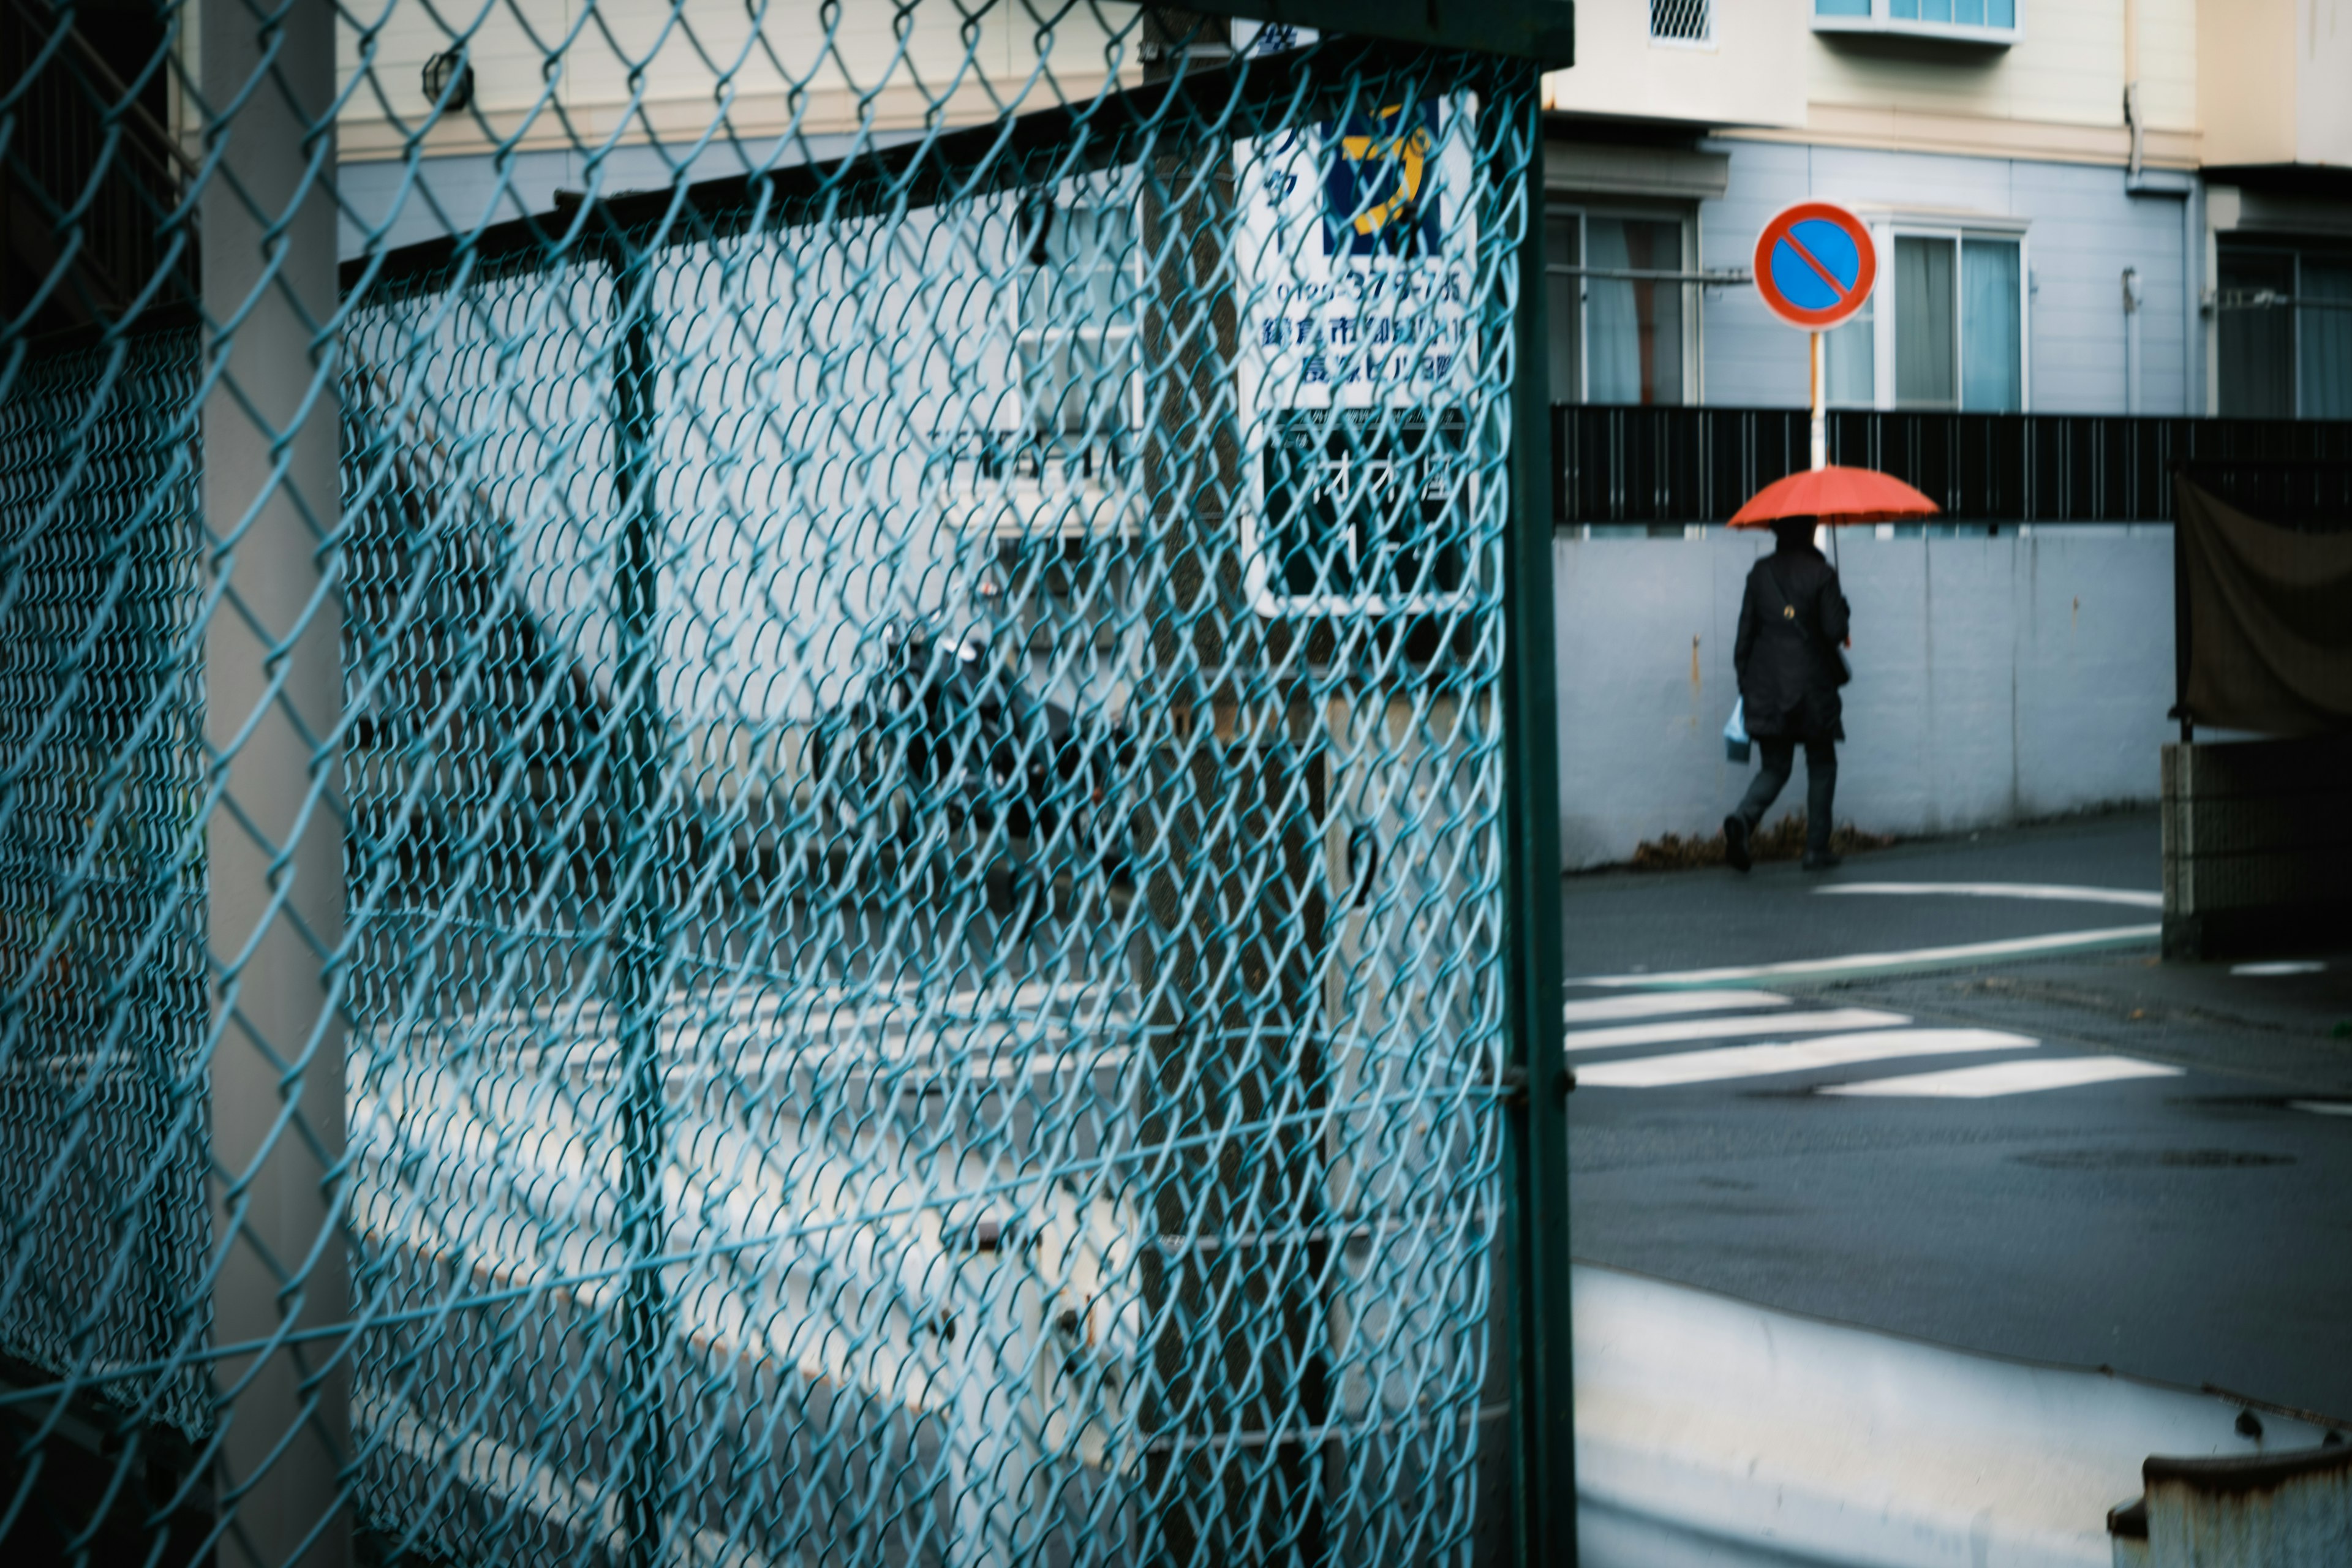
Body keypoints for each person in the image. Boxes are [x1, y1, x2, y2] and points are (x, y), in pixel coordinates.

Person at [1725, 516, 1850, 873]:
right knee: (1822, 764)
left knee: (1775, 768)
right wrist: (1842, 607)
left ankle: (1744, 820)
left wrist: (1747, 685)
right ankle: (1816, 849)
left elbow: (1744, 637)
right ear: (1810, 532)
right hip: (1813, 688)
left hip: (1766, 686)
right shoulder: (1821, 573)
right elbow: (1835, 629)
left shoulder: (1759, 573)